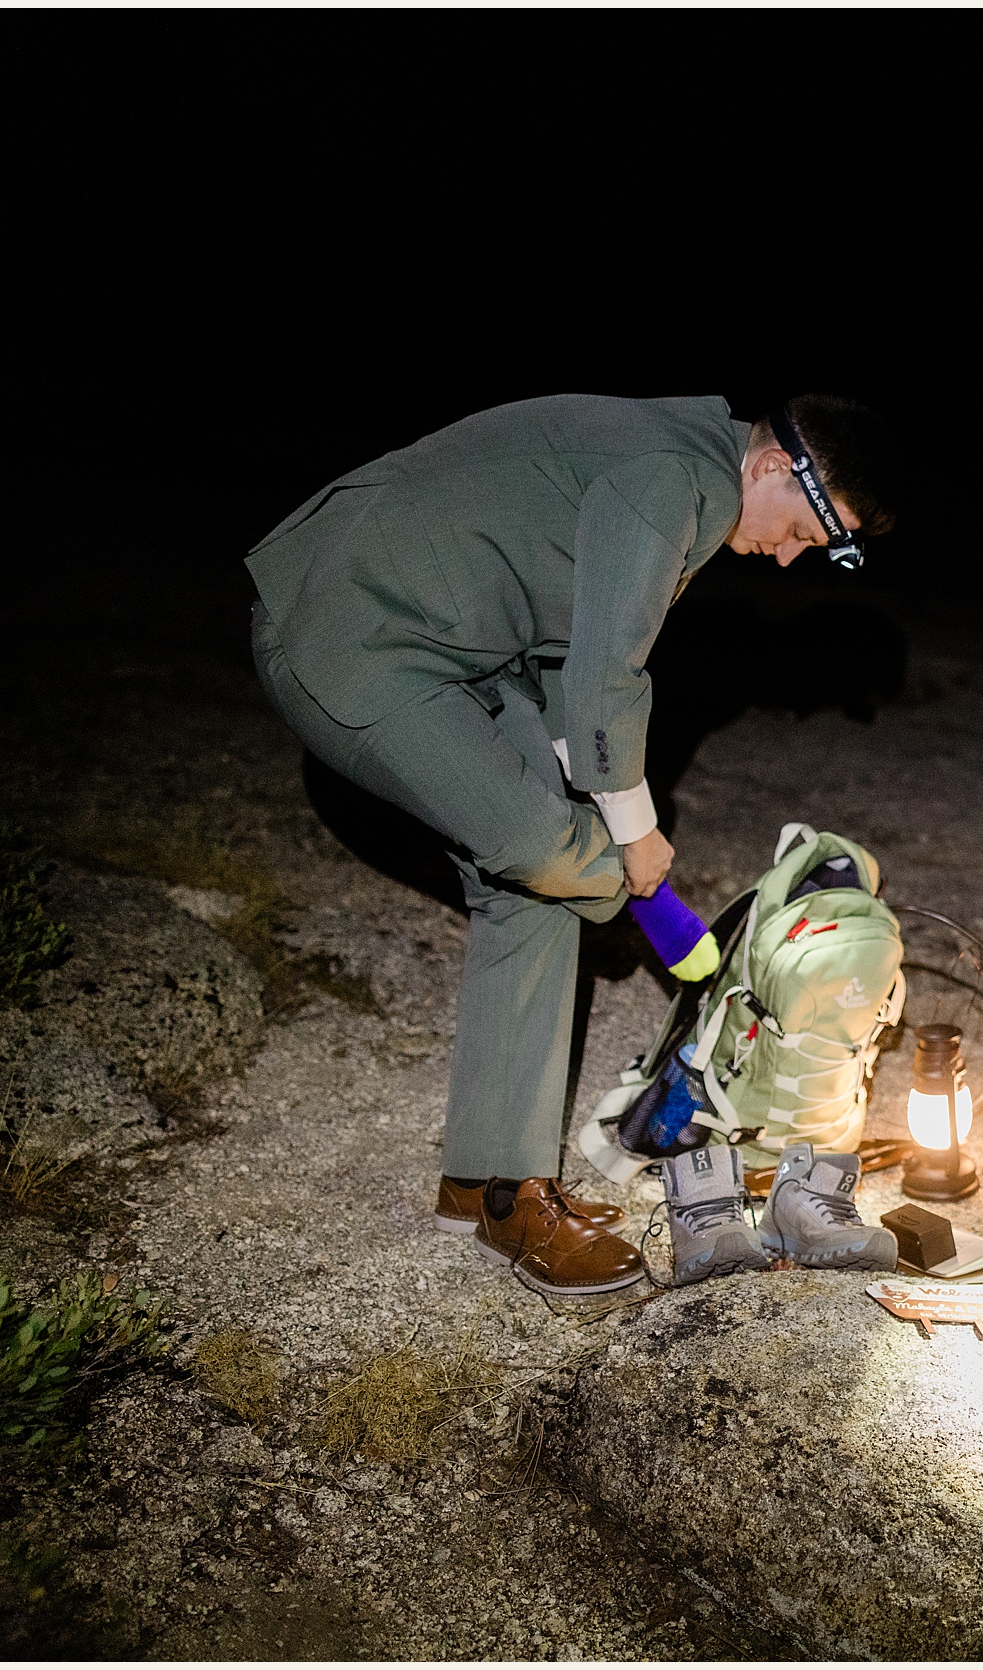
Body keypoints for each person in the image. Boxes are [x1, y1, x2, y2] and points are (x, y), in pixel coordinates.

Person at [244, 393, 894, 1296]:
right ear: (776, 465)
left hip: (459, 647)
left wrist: (595, 795)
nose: (789, 554)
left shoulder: (691, 467)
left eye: (819, 550)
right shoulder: (676, 475)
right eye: (806, 529)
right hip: (354, 627)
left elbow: (569, 642)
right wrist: (636, 838)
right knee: (549, 848)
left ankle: (490, 1183)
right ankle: (676, 938)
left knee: (541, 869)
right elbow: (605, 675)